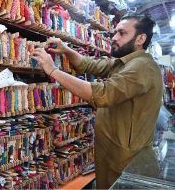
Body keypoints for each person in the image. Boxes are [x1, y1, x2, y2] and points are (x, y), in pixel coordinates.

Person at [31, 14, 163, 188]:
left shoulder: (142, 67)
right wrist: (65, 49)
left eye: (122, 33)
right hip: (113, 154)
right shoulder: (124, 63)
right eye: (115, 32)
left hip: (125, 160)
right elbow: (89, 65)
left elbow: (102, 94)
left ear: (141, 38)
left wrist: (53, 70)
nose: (114, 38)